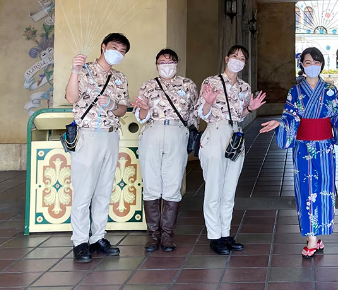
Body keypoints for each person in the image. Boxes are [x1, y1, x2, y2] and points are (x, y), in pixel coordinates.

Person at [260, 47, 338, 258]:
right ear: (302, 64)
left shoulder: (330, 90)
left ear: (321, 64)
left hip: (325, 147)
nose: (313, 66)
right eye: (308, 62)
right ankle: (311, 236)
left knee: (325, 188)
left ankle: (318, 234)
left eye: (317, 62)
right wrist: (280, 122)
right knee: (305, 190)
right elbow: (290, 117)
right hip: (303, 147)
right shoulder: (295, 92)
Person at [195, 45, 266, 255]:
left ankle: (226, 233)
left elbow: (241, 114)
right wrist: (207, 103)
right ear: (226, 59)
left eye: (242, 58)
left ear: (244, 63)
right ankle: (214, 236)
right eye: (234, 56)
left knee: (229, 189)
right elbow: (202, 113)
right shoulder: (211, 82)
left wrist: (250, 108)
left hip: (235, 135)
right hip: (215, 133)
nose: (237, 60)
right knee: (214, 187)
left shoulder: (244, 87)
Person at [65, 33, 130, 263]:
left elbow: (123, 108)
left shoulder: (120, 78)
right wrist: (74, 70)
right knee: (84, 191)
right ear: (103, 47)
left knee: (104, 190)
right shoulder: (84, 70)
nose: (117, 53)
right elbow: (71, 97)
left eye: (122, 51)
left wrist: (113, 106)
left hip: (111, 136)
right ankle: (80, 241)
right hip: (88, 135)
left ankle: (98, 237)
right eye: (114, 47)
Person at [130, 49, 198, 253]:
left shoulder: (188, 84)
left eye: (170, 61)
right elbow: (140, 116)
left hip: (177, 131)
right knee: (151, 183)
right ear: (156, 64)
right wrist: (142, 108)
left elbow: (195, 112)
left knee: (173, 182)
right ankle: (153, 235)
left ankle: (167, 234)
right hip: (152, 131)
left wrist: (192, 134)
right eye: (162, 61)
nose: (166, 64)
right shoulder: (148, 86)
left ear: (177, 63)